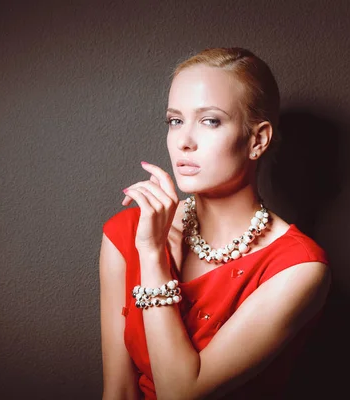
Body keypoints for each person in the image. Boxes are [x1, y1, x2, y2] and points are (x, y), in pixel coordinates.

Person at [99, 47, 331, 400]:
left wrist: (152, 255)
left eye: (210, 121)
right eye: (175, 120)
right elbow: (118, 391)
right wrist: (146, 244)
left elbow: (181, 393)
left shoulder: (299, 269)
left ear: (258, 140)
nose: (183, 141)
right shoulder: (127, 232)